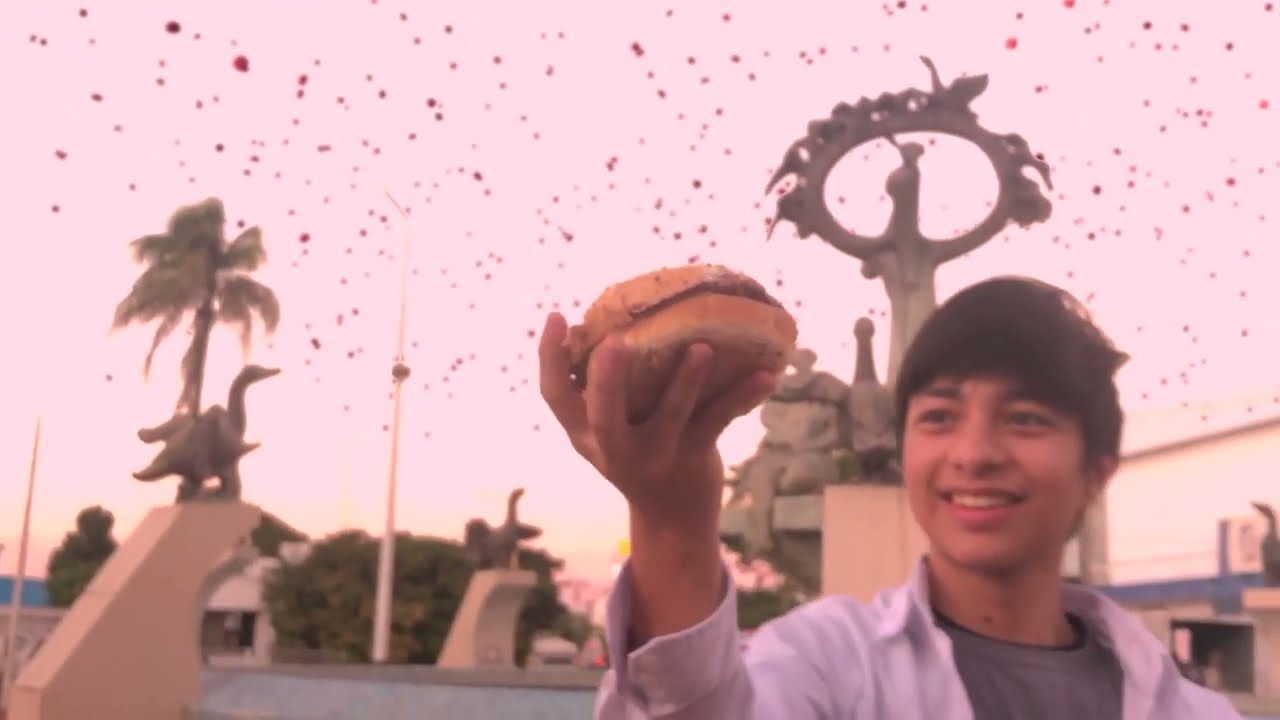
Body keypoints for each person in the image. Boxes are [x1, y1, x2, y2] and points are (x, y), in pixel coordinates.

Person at [538, 276, 1243, 719]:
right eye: (939, 417)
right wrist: (672, 523)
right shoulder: (826, 661)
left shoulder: (1190, 709)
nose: (973, 453)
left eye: (1025, 418)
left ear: (1097, 470)